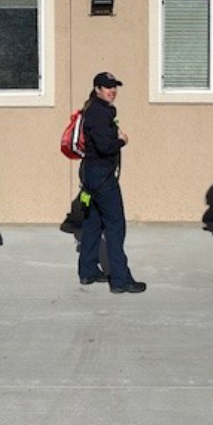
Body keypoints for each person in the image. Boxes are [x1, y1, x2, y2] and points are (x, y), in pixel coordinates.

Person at [77, 72, 146, 294]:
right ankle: (120, 280)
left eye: (114, 86)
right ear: (97, 89)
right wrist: (121, 141)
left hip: (91, 173)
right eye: (107, 87)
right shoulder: (98, 112)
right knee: (116, 226)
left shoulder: (96, 110)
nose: (112, 90)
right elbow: (105, 147)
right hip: (101, 176)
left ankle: (87, 271)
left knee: (93, 223)